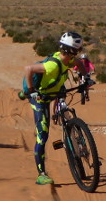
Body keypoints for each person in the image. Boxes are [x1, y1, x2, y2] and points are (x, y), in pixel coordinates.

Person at [22, 31, 87, 185]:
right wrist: (31, 91)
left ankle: (66, 125)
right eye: (77, 50)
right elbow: (28, 69)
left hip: (56, 91)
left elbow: (78, 63)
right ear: (73, 50)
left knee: (65, 106)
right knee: (43, 134)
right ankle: (41, 174)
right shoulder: (52, 65)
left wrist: (85, 78)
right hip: (41, 97)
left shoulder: (68, 60)